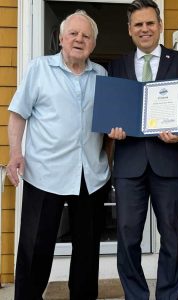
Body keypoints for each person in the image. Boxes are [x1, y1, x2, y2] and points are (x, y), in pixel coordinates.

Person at [6, 10, 110, 300]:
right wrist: (16, 152)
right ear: (61, 38)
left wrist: (109, 159)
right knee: (35, 248)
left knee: (87, 252)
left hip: (90, 176)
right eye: (73, 34)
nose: (79, 39)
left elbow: (107, 125)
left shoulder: (101, 75)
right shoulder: (39, 68)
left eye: (86, 35)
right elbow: (17, 114)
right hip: (45, 174)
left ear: (93, 43)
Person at [107, 0, 178, 299]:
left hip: (168, 161)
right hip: (129, 163)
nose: (144, 29)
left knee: (172, 237)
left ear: (160, 26)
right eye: (138, 25)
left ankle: (167, 296)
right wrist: (113, 128)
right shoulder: (117, 65)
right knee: (127, 236)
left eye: (149, 23)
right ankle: (136, 295)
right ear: (130, 31)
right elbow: (112, 110)